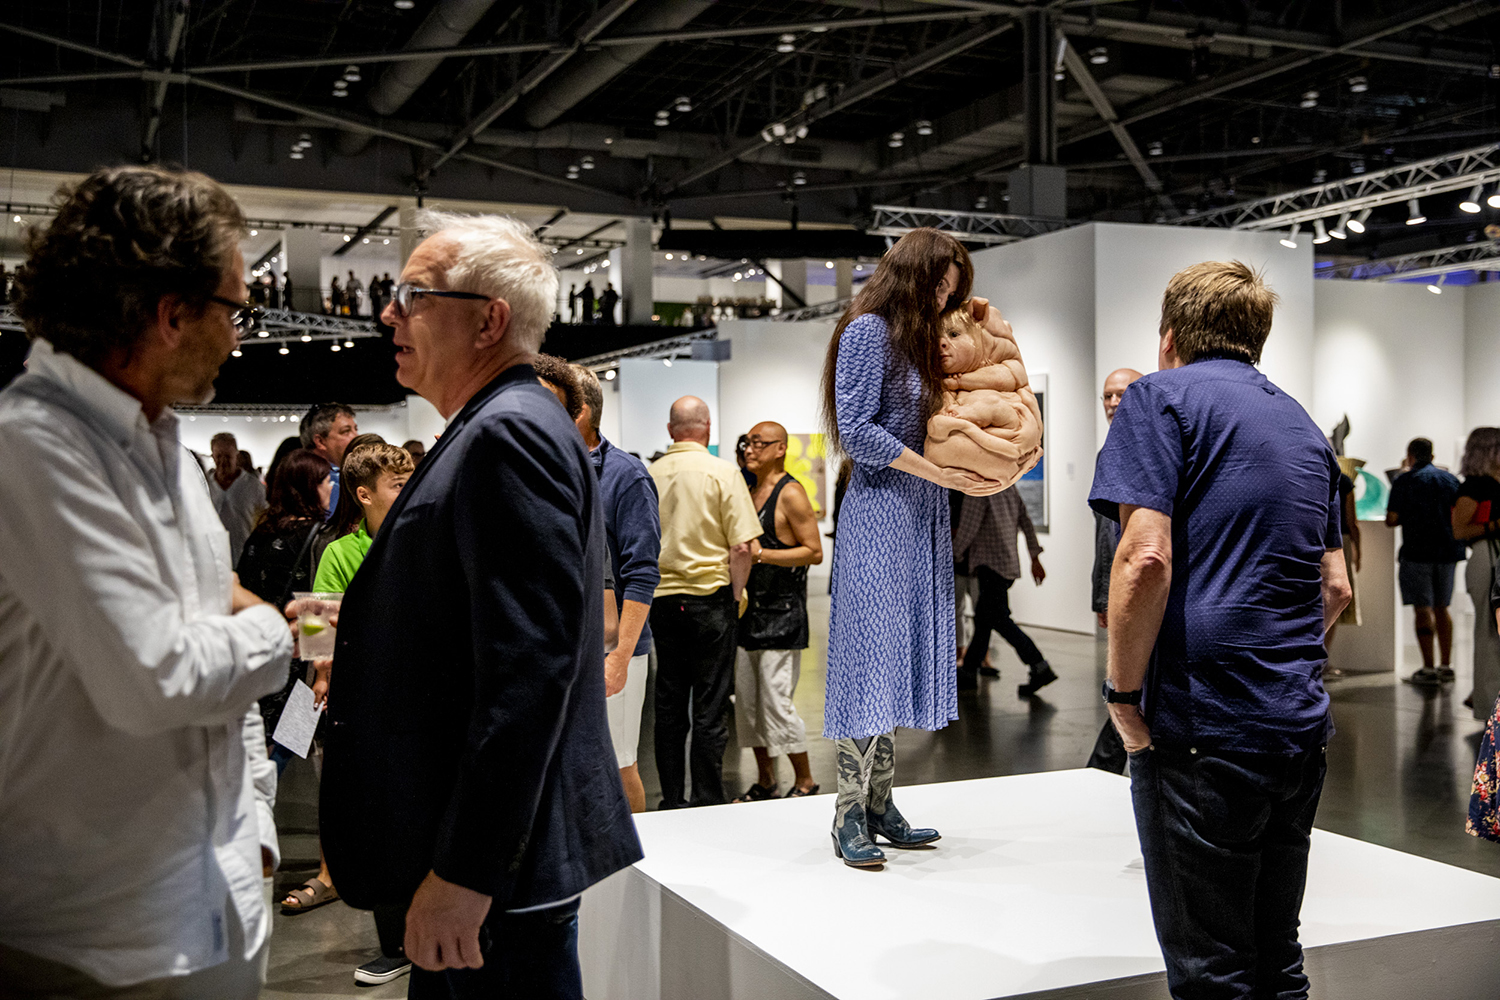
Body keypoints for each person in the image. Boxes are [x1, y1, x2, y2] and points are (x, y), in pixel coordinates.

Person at [320, 210, 640, 997]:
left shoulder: (507, 434)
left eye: (413, 295)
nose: (389, 312)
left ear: (489, 320)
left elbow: (527, 674)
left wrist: (465, 873)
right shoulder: (500, 424)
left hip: (499, 876)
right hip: (497, 862)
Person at [0, 164, 293, 998]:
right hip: (97, 945)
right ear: (172, 314)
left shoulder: (163, 447)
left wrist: (255, 829)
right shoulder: (35, 449)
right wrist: (278, 633)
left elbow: (210, 615)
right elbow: (158, 676)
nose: (241, 333)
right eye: (236, 309)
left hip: (214, 903)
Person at [1090, 260, 1350, 1000]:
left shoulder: (1158, 400)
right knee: (1277, 958)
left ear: (1169, 336)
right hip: (1296, 728)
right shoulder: (1300, 422)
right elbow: (1335, 587)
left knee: (1212, 973)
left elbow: (1144, 559)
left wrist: (1123, 692)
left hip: (1204, 727)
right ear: (1257, 338)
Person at [819, 227, 1006, 869]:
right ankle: (848, 810)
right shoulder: (869, 331)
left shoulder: (922, 339)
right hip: (881, 509)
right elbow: (856, 430)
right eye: (938, 284)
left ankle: (880, 803)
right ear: (913, 275)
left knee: (899, 657)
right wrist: (940, 473)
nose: (943, 297)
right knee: (871, 659)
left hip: (921, 509)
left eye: (951, 290)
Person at [306, 441, 416, 987]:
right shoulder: (338, 552)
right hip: (365, 708)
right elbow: (316, 632)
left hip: (419, 704)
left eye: (410, 479)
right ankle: (394, 942)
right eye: (397, 484)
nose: (407, 490)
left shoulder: (425, 542)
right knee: (380, 825)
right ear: (364, 494)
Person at [649, 395, 762, 808]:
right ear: (708, 428)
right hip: (711, 599)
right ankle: (707, 799)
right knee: (711, 707)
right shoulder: (723, 473)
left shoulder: (650, 474)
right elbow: (743, 549)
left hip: (662, 600)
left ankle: (672, 801)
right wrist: (733, 598)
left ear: (670, 431)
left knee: (669, 703)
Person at [571, 365, 661, 814]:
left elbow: (642, 571)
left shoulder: (626, 475)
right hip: (561, 647)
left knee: (620, 765)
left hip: (612, 647)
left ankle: (633, 873)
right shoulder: (549, 471)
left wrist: (621, 656)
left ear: (580, 411)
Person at [732, 421, 824, 801]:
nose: (750, 450)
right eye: (747, 443)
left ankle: (804, 780)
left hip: (782, 614)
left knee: (776, 702)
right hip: (747, 612)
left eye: (759, 443)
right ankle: (766, 778)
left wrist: (761, 554)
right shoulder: (748, 490)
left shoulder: (791, 494)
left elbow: (814, 551)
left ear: (780, 448)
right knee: (748, 704)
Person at [236, 448, 334, 776]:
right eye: (324, 481)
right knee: (291, 741)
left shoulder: (258, 533)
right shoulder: (320, 537)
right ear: (308, 486)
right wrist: (323, 672)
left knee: (263, 743)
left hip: (262, 650)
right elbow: (321, 603)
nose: (331, 487)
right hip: (304, 660)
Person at [1086, 367, 1142, 774]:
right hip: (1128, 584)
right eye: (1107, 395)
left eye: (1122, 394)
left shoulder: (1134, 450)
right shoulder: (1112, 452)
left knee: (1130, 684)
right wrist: (1102, 594)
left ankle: (1101, 771)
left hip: (1144, 583)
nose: (1112, 403)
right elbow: (1106, 535)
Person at [952, 488, 1052, 694]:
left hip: (989, 566)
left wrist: (954, 553)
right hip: (1007, 566)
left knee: (999, 620)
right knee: (984, 620)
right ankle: (970, 670)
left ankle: (1039, 665)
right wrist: (1034, 557)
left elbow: (968, 528)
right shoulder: (1007, 487)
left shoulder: (977, 490)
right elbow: (1025, 520)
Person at [1386, 437, 1463, 687]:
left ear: (1410, 454)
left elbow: (1392, 518)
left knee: (1423, 609)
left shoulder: (1404, 480)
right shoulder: (1450, 479)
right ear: (1432, 454)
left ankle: (1428, 668)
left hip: (1417, 552)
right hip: (1448, 552)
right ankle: (1446, 665)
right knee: (1443, 608)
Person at [1452, 427, 1500, 714]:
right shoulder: (1474, 486)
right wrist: (1495, 525)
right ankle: (1488, 705)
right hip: (1488, 557)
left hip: (1492, 556)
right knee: (1489, 632)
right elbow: (1460, 529)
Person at [209, 431, 267, 565]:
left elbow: (265, 519)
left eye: (228, 456)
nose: (223, 462)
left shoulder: (254, 487)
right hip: (213, 559)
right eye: (218, 456)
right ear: (213, 456)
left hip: (245, 558)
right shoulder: (205, 485)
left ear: (236, 455)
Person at [300, 401, 358, 518]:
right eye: (346, 431)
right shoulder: (332, 481)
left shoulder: (299, 477)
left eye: (355, 429)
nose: (356, 436)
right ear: (320, 441)